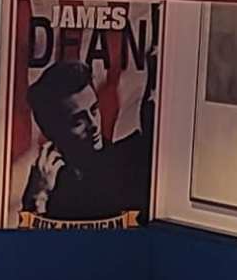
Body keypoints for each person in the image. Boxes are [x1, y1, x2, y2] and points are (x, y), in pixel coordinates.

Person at [16, 54, 149, 225]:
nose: (94, 126)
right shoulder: (47, 185)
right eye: (78, 121)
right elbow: (28, 247)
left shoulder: (129, 159)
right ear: (51, 130)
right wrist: (38, 198)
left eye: (94, 111)